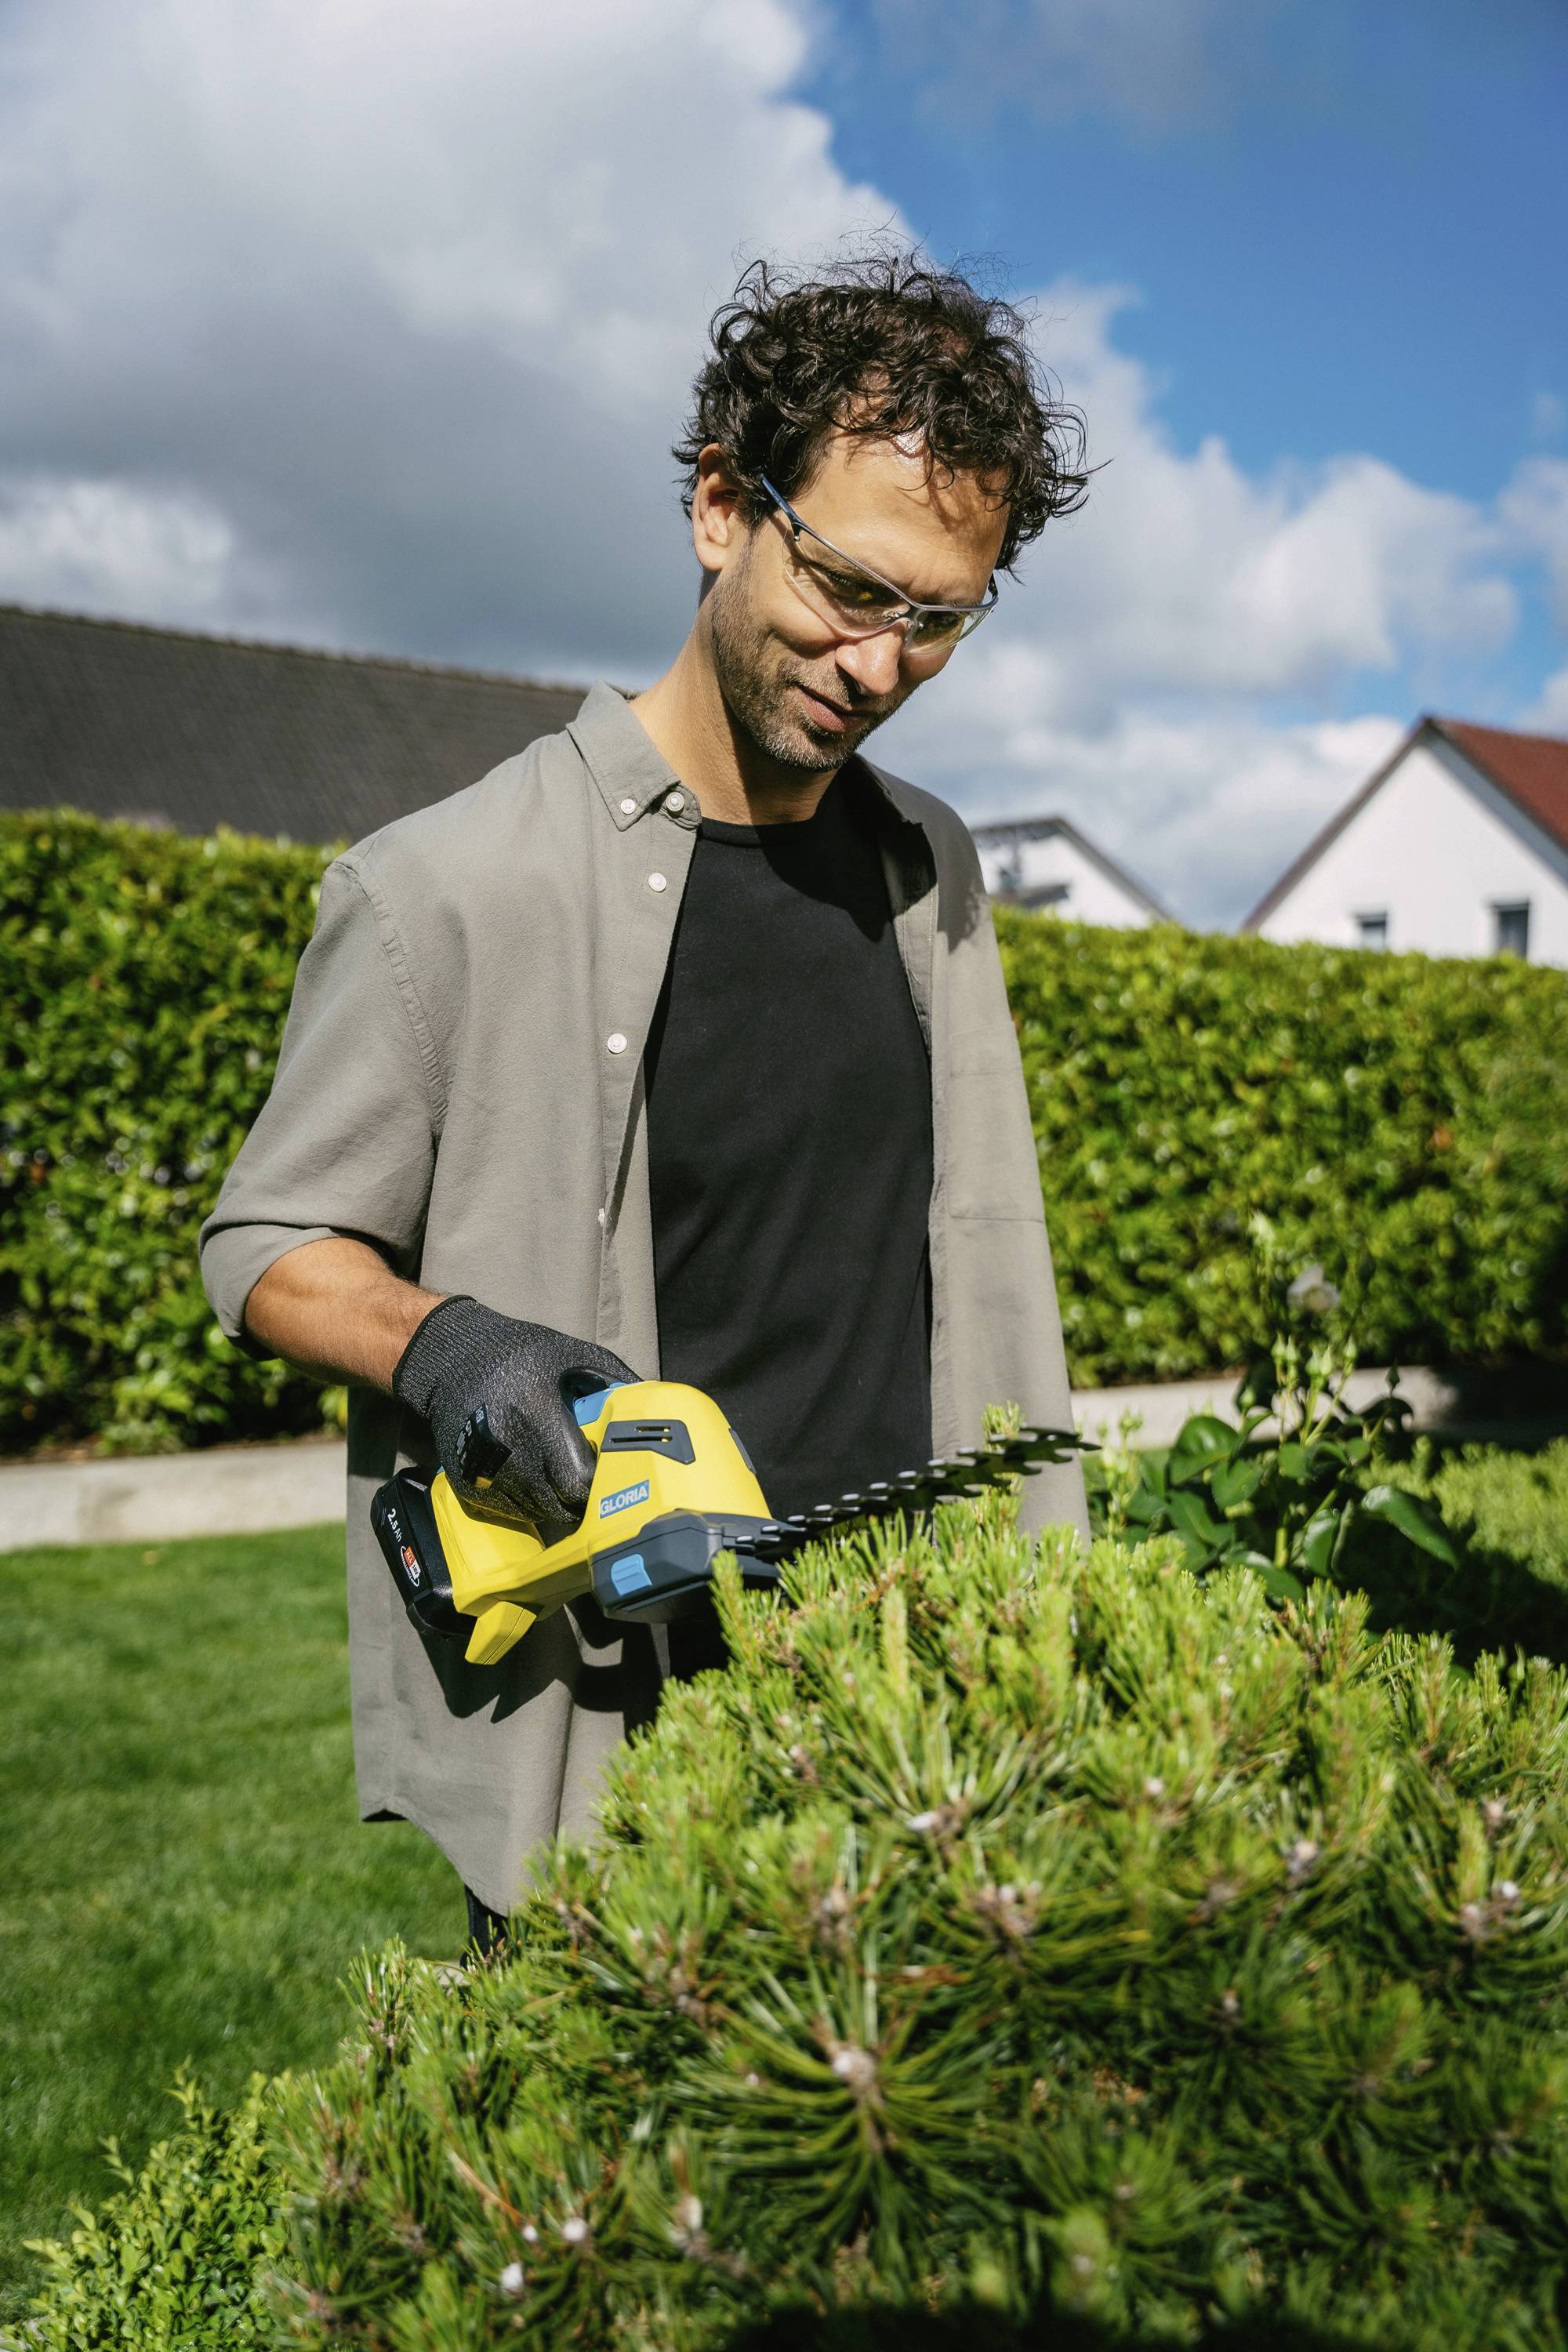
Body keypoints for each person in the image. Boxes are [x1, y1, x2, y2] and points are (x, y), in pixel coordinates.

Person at [199, 251, 1091, 1947]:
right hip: (616, 1727)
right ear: (716, 508)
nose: (881, 661)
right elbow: (263, 1243)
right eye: (846, 586)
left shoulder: (930, 877)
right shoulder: (445, 887)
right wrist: (446, 1345)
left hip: (911, 1702)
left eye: (938, 618)